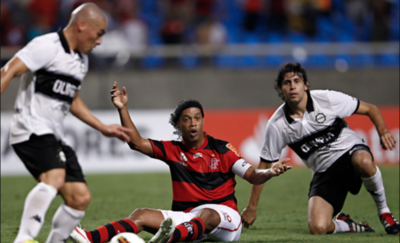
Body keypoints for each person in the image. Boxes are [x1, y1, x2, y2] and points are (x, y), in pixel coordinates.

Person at [69, 82, 291, 243]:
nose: (193, 123)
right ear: (178, 125)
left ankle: (168, 240)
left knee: (206, 215)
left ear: (203, 121)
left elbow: (252, 174)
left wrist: (270, 171)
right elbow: (136, 143)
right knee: (140, 215)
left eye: (197, 118)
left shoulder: (222, 149)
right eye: (186, 119)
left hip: (225, 220)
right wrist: (122, 108)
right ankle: (88, 238)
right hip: (189, 220)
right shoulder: (173, 150)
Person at [0, 3, 132, 243]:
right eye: (99, 33)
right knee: (55, 176)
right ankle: (24, 238)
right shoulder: (46, 46)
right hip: (30, 128)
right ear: (82, 25)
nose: (100, 41)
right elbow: (7, 71)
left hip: (53, 134)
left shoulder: (81, 60)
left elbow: (72, 99)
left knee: (79, 198)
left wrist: (102, 127)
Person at [241, 62, 400, 235]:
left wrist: (383, 131)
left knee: (363, 160)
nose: (293, 86)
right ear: (280, 89)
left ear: (306, 84)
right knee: (318, 228)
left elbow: (370, 108)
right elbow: (264, 166)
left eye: (297, 81)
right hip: (324, 171)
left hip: (350, 152)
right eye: (287, 83)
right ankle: (346, 224)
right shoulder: (277, 125)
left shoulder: (326, 99)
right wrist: (251, 207)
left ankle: (385, 213)